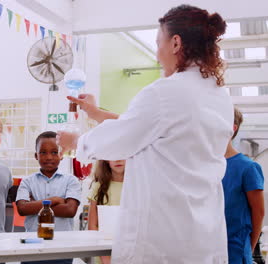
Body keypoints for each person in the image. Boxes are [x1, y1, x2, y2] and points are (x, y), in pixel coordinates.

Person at [57, 4, 234, 263]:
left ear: (175, 43)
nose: (157, 54)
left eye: (158, 43)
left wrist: (76, 141)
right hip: (204, 235)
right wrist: (96, 113)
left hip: (162, 238)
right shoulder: (219, 96)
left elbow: (123, 138)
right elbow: (151, 131)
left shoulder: (164, 92)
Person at [16, 131, 81, 264]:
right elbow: (22, 209)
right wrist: (55, 200)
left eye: (54, 152)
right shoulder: (27, 181)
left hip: (62, 248)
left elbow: (70, 211)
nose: (49, 157)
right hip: (32, 247)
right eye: (43, 152)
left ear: (61, 154)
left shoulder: (71, 180)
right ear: (36, 155)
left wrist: (35, 205)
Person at [223, 107, 264, 263]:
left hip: (235, 251)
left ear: (232, 129)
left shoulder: (248, 168)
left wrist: (247, 249)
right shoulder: (205, 165)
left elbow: (258, 213)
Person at [87, 160, 125, 264]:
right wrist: (105, 259)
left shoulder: (137, 187)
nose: (118, 159)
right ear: (106, 160)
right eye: (113, 156)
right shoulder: (98, 186)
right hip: (104, 256)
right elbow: (92, 227)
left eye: (122, 155)